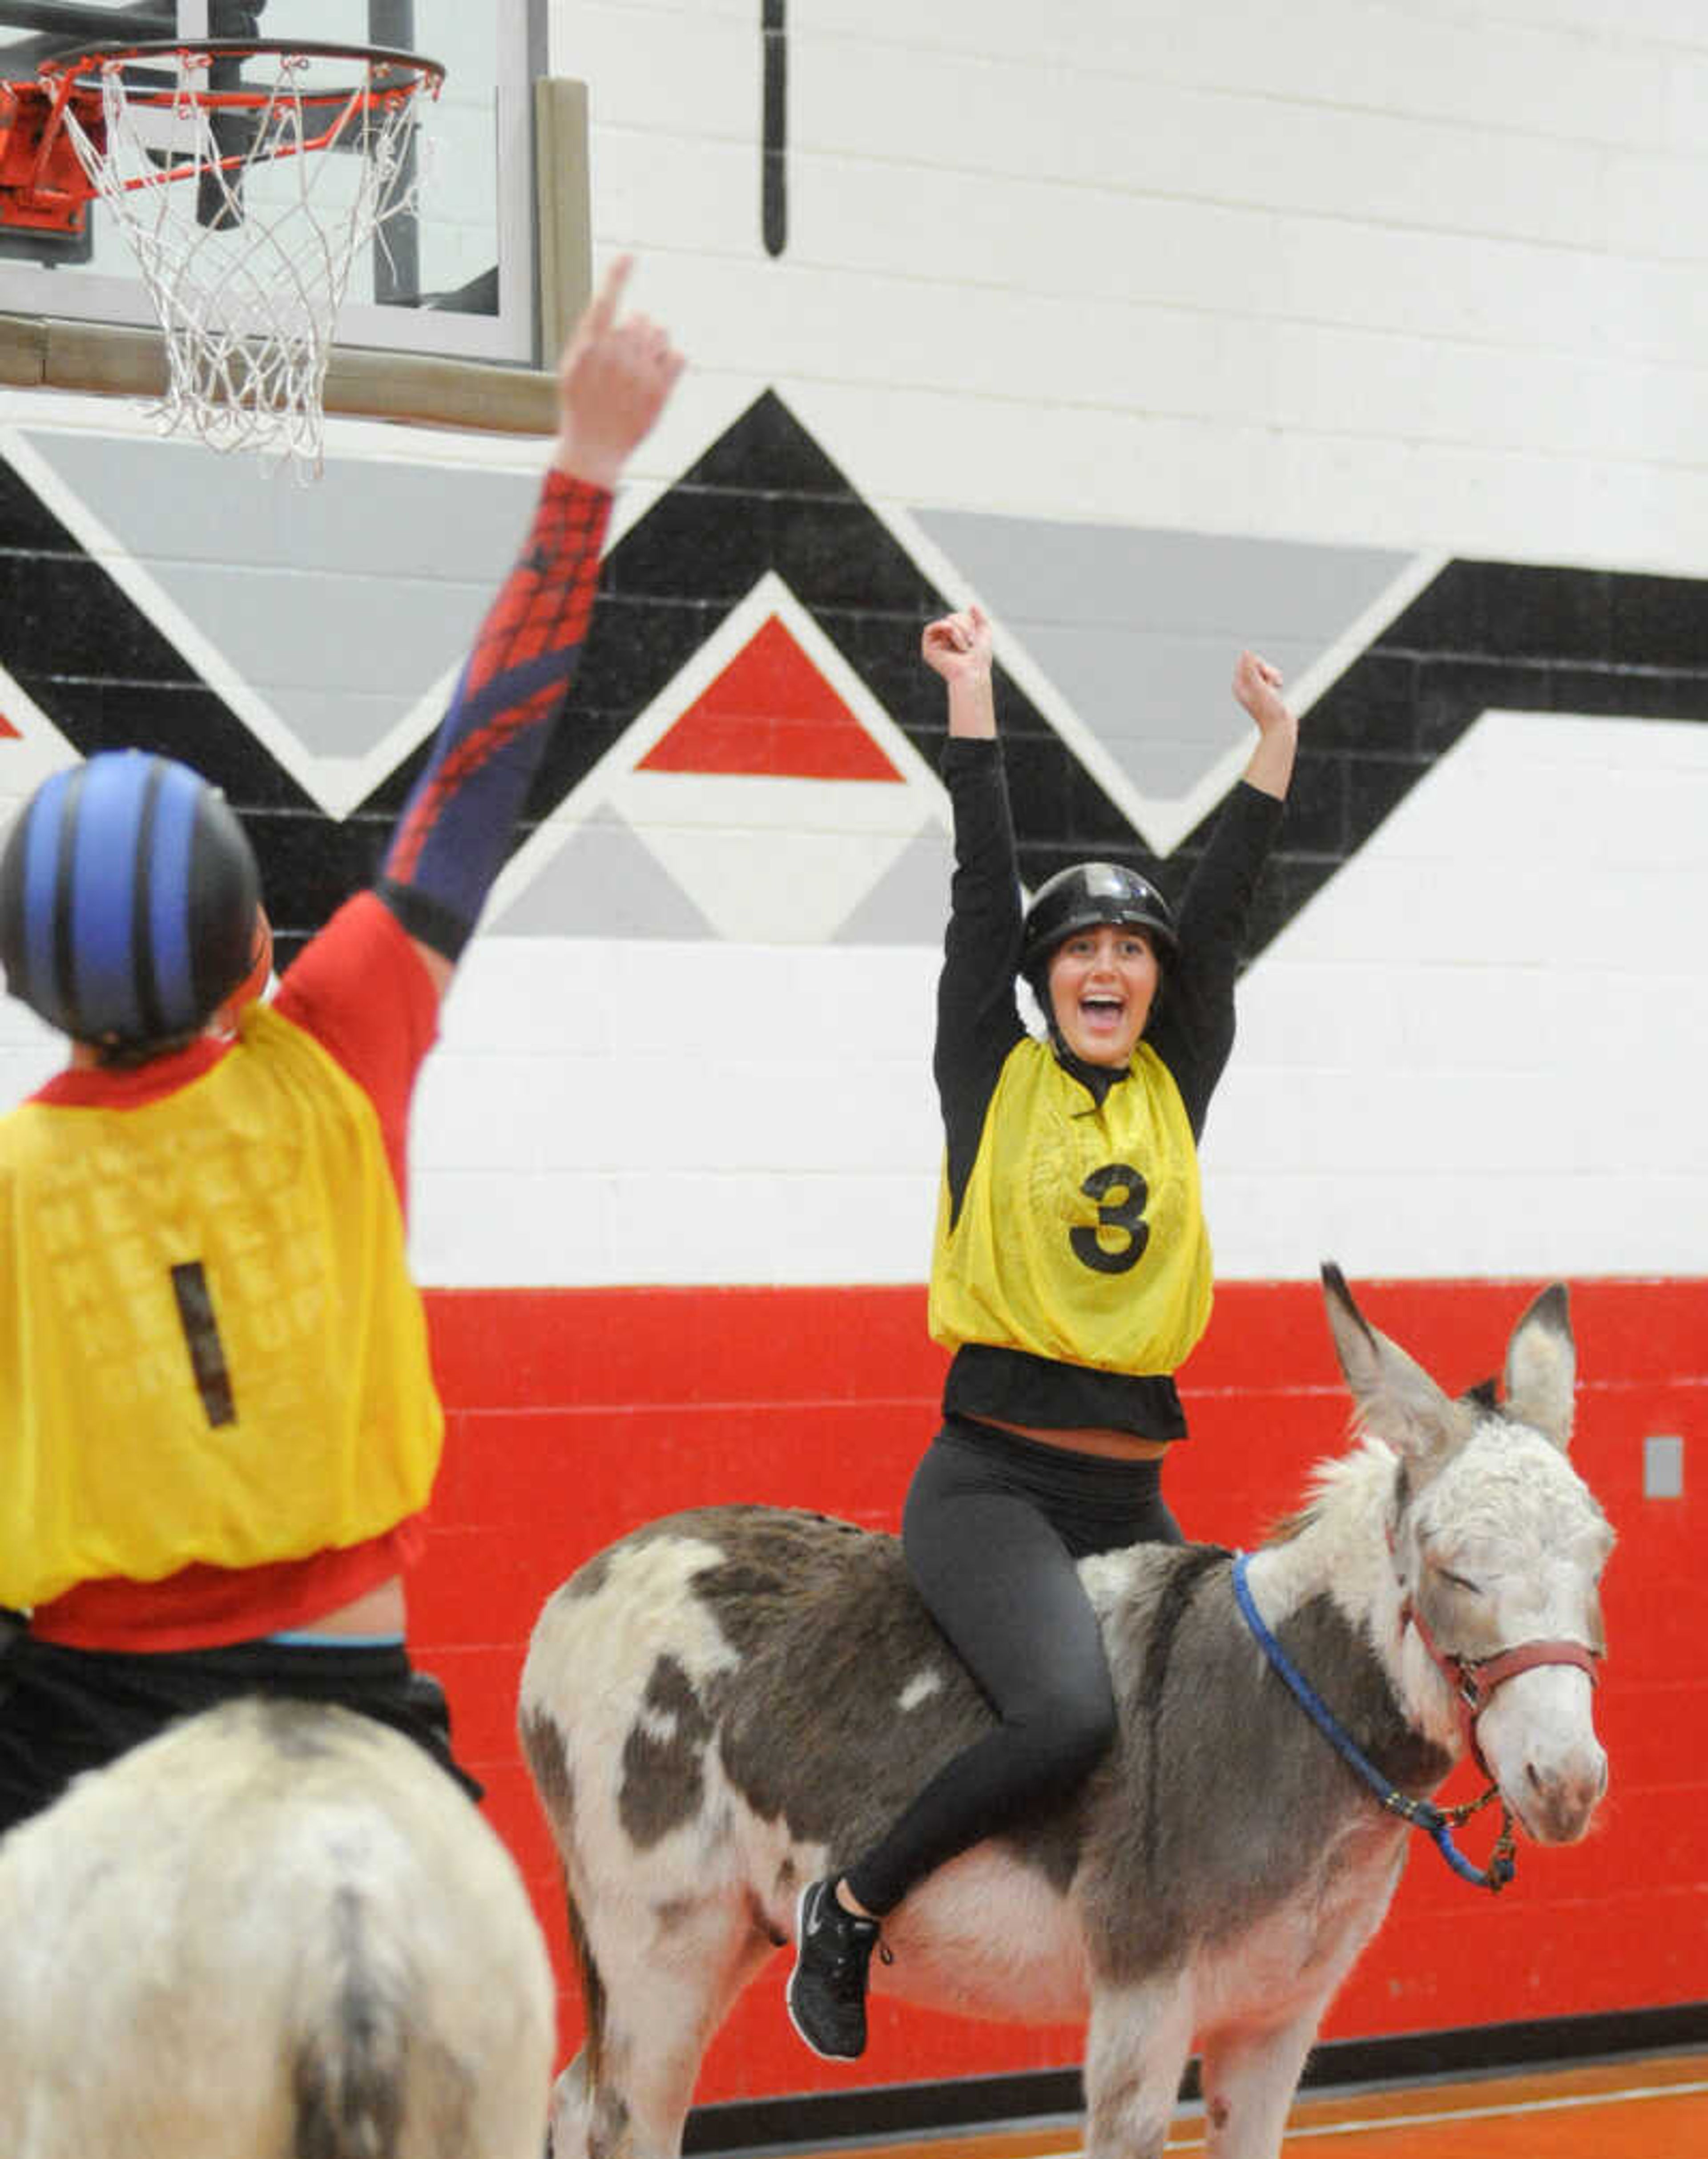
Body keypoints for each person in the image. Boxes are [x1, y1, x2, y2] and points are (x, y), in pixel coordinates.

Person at [0, 260, 683, 1837]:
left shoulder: (25, 1170)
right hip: (350, 1677)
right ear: (254, 946)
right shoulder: (339, 1043)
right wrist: (584, 467)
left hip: (81, 1710)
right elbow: (485, 761)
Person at [786, 601, 1298, 2060]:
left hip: (1125, 1486)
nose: (1111, 963)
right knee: (1070, 1717)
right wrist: (972, 700)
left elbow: (1223, 920)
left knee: (1213, 1728)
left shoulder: (1174, 1082)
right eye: (1080, 948)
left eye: (1131, 950)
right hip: (993, 1484)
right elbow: (977, 883)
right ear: (1044, 979)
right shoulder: (985, 1073)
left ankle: (1152, 1981)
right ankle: (855, 1904)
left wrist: (1275, 748)